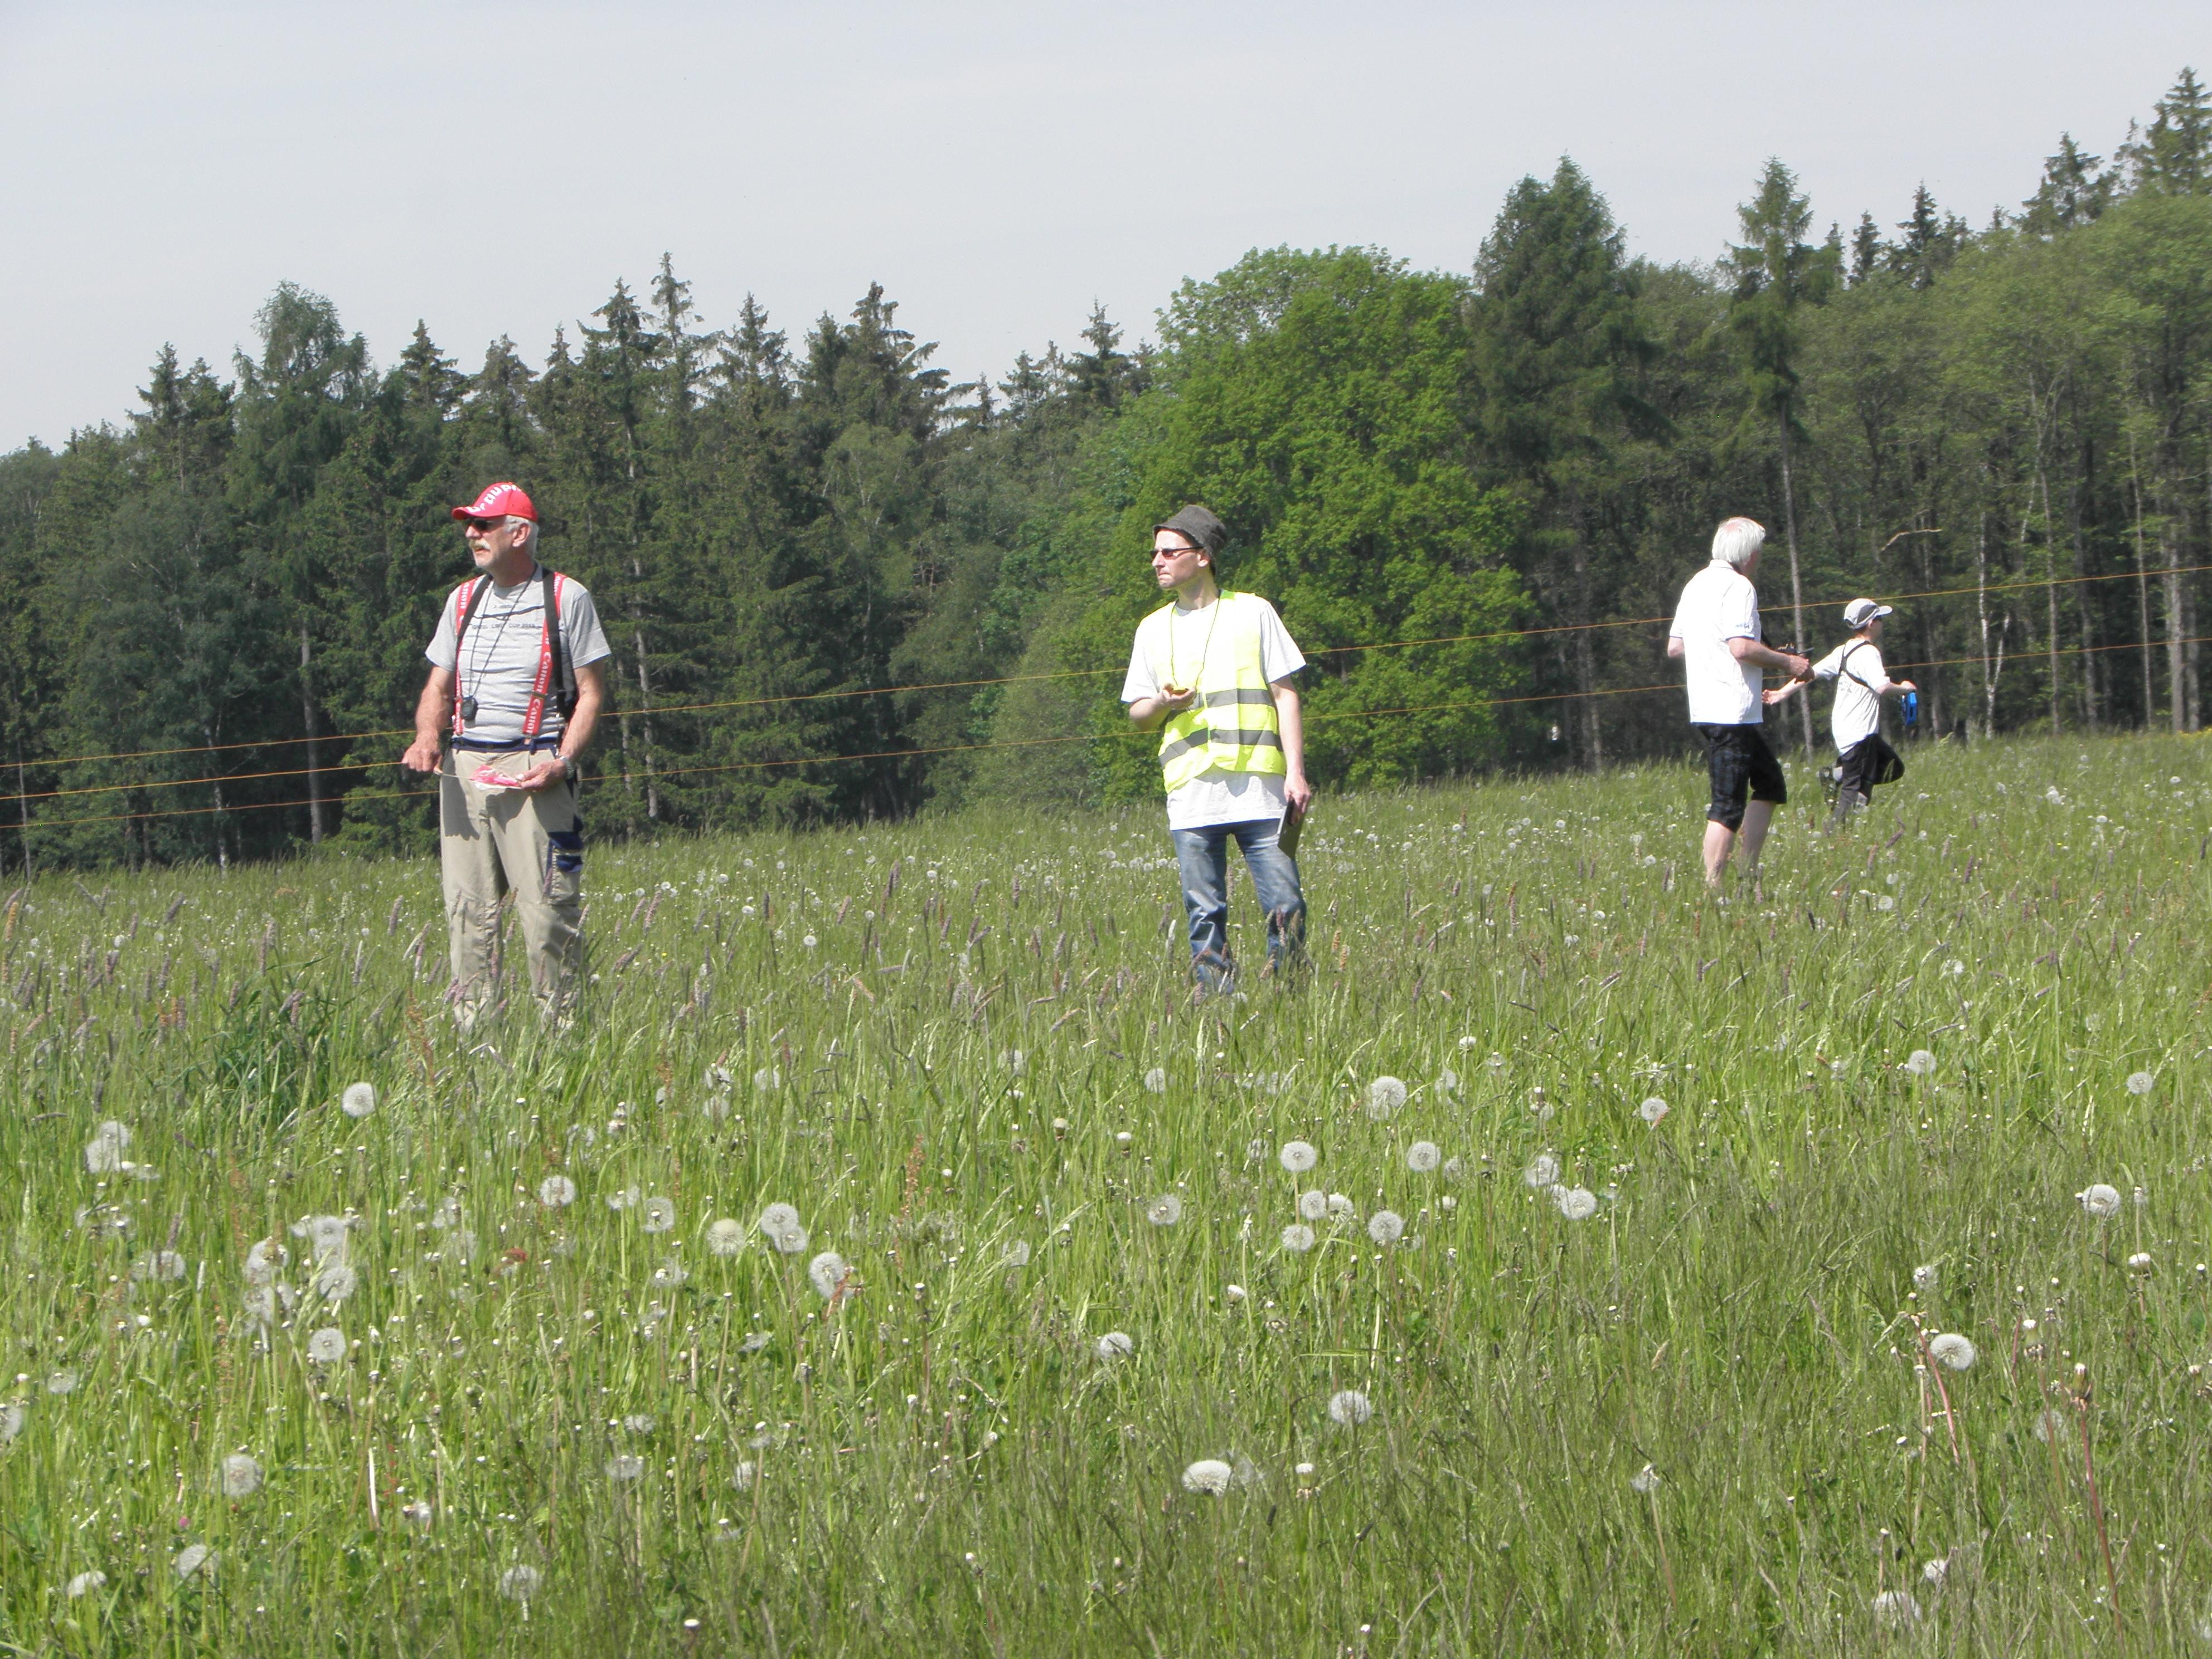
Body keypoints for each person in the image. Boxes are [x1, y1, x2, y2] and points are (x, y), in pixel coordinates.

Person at [400, 483, 611, 1026]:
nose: (471, 534)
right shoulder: (461, 601)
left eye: (483, 525)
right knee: (467, 915)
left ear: (519, 533)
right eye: (468, 525)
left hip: (535, 770)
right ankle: (474, 1039)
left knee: (547, 915)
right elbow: (437, 686)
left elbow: (591, 693)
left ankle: (565, 1037)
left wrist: (563, 762)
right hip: (463, 769)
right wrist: (426, 739)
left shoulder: (567, 598)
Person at [1121, 505, 1313, 988]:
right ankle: (1216, 1009)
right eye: (1155, 553)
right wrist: (1161, 702)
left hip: (1261, 792)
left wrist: (1296, 773)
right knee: (1204, 915)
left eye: (1169, 552)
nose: (1157, 562)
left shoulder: (1254, 612)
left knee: (1286, 906)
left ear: (1203, 556)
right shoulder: (1151, 628)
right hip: (1191, 795)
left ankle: (1290, 998)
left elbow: (1285, 695)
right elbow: (1138, 716)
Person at [1665, 517, 1810, 892]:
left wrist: (1709, 650)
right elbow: (1742, 648)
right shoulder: (1740, 586)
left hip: (1707, 706)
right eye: (1758, 551)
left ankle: (1748, 872)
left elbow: (1676, 647)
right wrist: (1788, 662)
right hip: (1730, 710)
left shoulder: (1695, 584)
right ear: (1749, 554)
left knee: (1770, 785)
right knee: (1727, 805)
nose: (1758, 558)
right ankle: (1713, 889)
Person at [1769, 597, 1917, 828]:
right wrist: (1905, 689)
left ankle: (1837, 774)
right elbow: (1882, 688)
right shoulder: (1868, 653)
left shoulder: (1845, 650)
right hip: (1860, 734)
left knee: (1893, 768)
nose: (1882, 623)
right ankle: (1836, 833)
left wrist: (1782, 693)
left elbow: (1811, 673)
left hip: (1848, 729)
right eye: (1880, 618)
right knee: (1856, 793)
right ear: (1871, 624)